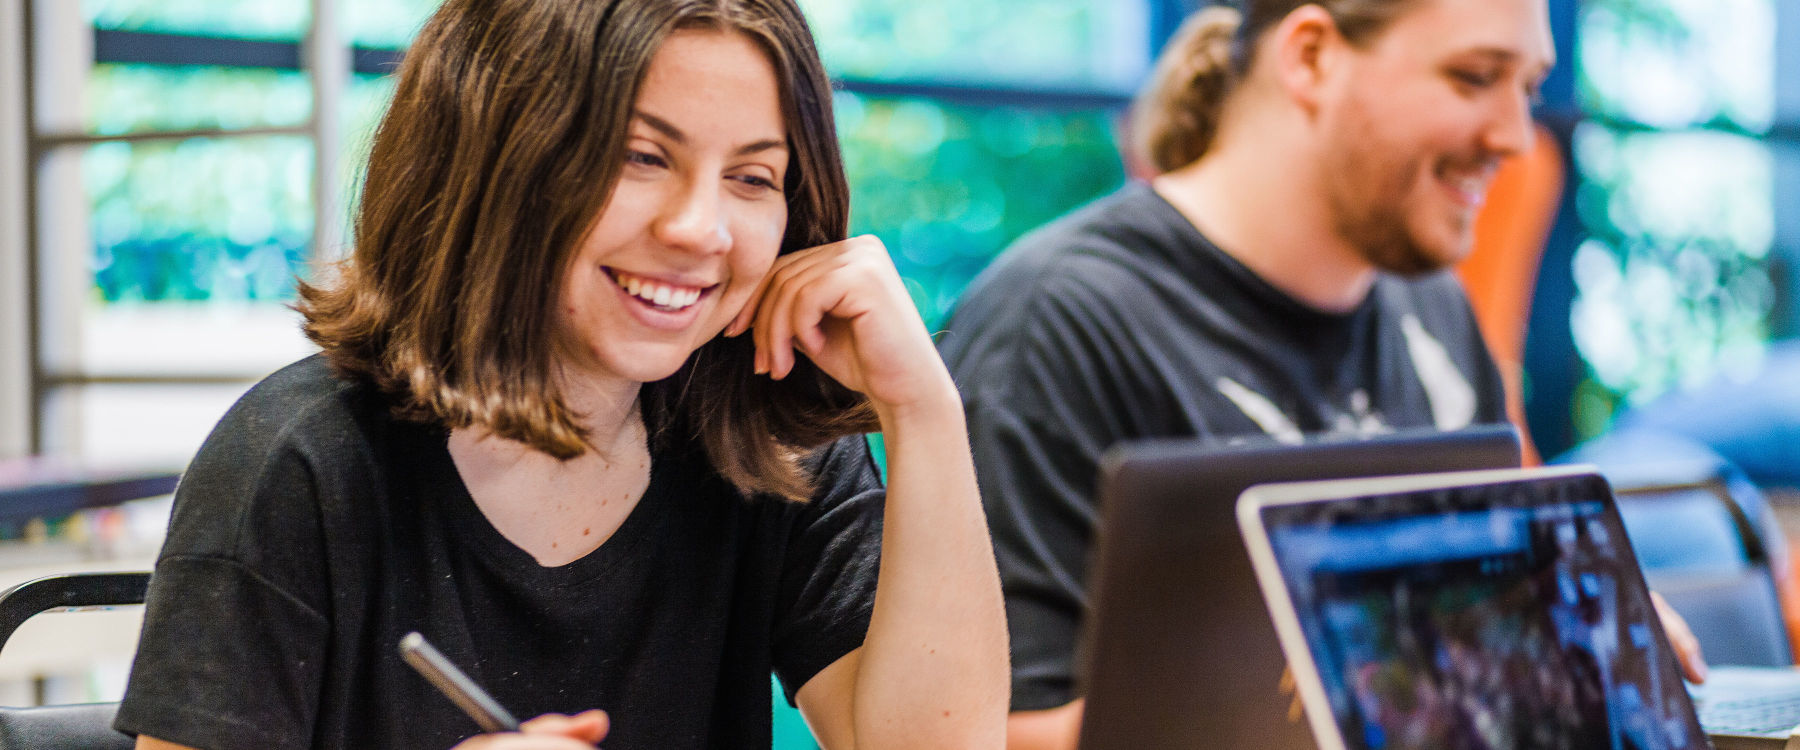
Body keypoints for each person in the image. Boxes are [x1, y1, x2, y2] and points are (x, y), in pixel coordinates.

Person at [114, 1, 1007, 749]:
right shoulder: (299, 461)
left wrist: (922, 407)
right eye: (641, 157)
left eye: (751, 176)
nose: (701, 229)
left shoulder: (759, 441)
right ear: (495, 159)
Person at [935, 1, 1707, 747]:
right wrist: (1387, 687)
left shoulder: (1432, 308)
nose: (1513, 136)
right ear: (1310, 57)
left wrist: (1554, 646)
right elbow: (983, 734)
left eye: (1529, 89)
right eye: (1474, 76)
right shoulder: (1054, 324)